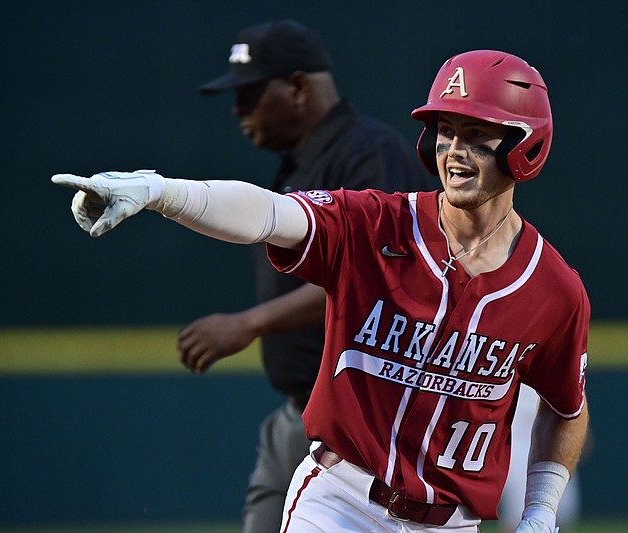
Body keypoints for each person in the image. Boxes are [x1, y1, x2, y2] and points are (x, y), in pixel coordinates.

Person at [53, 49, 590, 533]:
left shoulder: (554, 289)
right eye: (445, 131)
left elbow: (566, 409)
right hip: (339, 504)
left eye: (477, 133)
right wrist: (159, 191)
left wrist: (542, 510)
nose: (454, 150)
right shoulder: (377, 223)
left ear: (527, 144)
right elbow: (267, 213)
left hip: (450, 523)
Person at [174, 18, 431, 533]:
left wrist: (250, 323)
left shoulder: (368, 152)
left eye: (249, 94)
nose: (238, 111)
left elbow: (380, 275)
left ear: (296, 87)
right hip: (302, 413)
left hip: (364, 425)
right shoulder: (303, 161)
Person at [497, 384, 581, 532]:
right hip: (516, 447)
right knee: (521, 520)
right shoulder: (509, 377)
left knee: (557, 516)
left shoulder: (552, 373)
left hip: (550, 451)